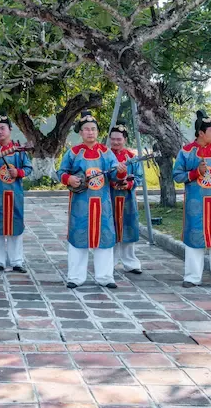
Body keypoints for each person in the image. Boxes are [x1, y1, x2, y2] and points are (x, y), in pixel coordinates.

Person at [58, 110, 126, 289]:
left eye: (93, 129)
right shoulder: (73, 153)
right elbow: (61, 172)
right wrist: (69, 179)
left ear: (98, 132)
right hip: (81, 204)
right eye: (86, 129)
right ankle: (75, 277)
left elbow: (114, 177)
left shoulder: (106, 153)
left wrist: (120, 172)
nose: (90, 132)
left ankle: (105, 277)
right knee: (79, 237)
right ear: (80, 132)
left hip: (102, 204)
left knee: (104, 238)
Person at [172, 110, 211, 290]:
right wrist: (195, 173)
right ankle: (192, 277)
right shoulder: (186, 152)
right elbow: (177, 175)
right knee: (195, 238)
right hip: (196, 203)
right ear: (201, 133)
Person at [0, 111, 32, 273]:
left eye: (2, 128)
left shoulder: (19, 149)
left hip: (15, 195)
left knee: (16, 227)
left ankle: (17, 261)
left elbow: (28, 168)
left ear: (10, 129)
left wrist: (18, 173)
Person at [108, 122, 144, 275]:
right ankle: (110, 262)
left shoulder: (132, 158)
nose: (116, 142)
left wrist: (129, 184)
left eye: (119, 139)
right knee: (111, 229)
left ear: (125, 140)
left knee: (128, 229)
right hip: (109, 197)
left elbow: (139, 177)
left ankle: (131, 263)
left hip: (127, 199)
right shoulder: (105, 155)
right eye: (113, 139)